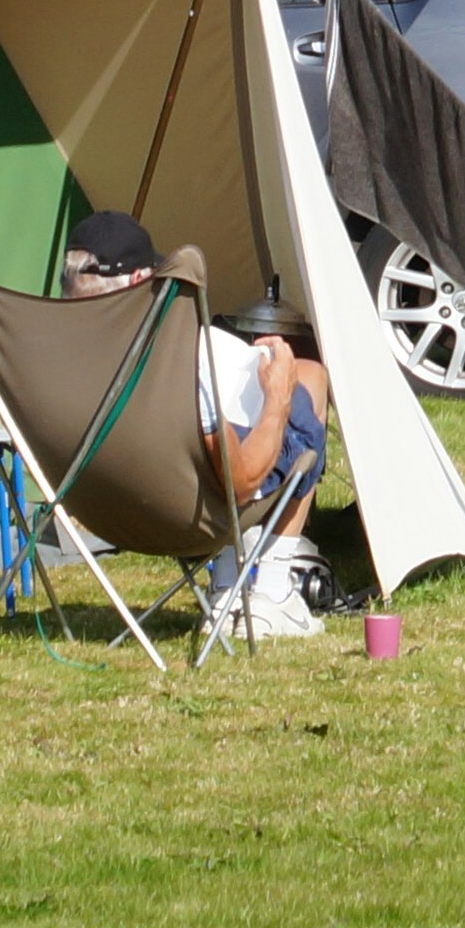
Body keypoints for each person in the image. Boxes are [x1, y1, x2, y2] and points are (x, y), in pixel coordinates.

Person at [61, 210, 330, 639]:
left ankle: (232, 580)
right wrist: (278, 396)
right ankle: (264, 593)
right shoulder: (172, 362)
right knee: (309, 378)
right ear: (138, 282)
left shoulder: (45, 358)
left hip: (97, 508)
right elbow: (239, 484)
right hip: (184, 514)